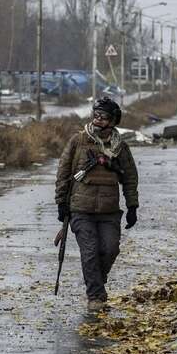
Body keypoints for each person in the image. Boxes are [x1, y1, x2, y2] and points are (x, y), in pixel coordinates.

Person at [54, 96, 139, 311]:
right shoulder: (78, 141)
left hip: (109, 211)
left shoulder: (120, 148)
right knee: (90, 252)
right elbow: (63, 172)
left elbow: (130, 177)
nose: (98, 119)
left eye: (104, 116)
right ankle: (96, 296)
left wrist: (132, 206)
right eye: (96, 115)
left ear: (113, 121)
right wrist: (61, 203)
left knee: (110, 249)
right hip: (80, 210)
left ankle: (97, 281)